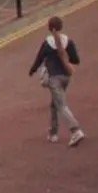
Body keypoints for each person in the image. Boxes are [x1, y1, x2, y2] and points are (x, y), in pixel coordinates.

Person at [28, 15, 84, 146]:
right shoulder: (68, 41)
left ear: (50, 28)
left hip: (54, 79)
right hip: (66, 77)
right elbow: (76, 60)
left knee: (62, 105)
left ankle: (75, 130)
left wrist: (32, 70)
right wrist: (64, 58)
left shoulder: (47, 43)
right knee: (55, 104)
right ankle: (53, 133)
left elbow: (39, 59)